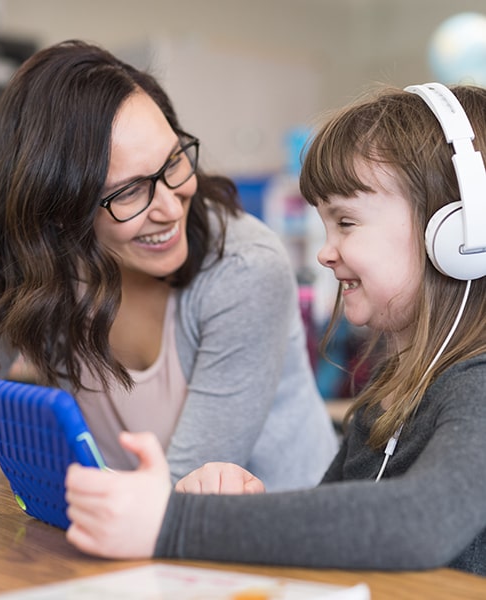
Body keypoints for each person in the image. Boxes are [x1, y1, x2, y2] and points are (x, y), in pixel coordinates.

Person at [65, 82, 486, 574]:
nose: (326, 252)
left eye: (346, 223)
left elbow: (421, 522)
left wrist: (175, 521)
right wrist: (241, 506)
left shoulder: (476, 387)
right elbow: (338, 536)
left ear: (463, 234)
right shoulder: (389, 392)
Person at [0, 40, 338, 491]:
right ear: (59, 211)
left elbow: (185, 497)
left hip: (277, 547)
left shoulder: (244, 268)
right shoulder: (43, 264)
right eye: (130, 191)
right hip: (118, 533)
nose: (171, 206)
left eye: (173, 162)